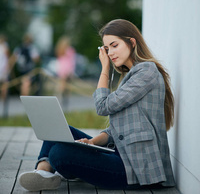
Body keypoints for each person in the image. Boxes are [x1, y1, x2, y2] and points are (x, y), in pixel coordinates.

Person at [19, 19, 175, 191]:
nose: (110, 53)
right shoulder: (132, 75)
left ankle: (54, 169)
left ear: (132, 42)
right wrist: (92, 142)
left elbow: (103, 106)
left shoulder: (146, 72)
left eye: (114, 45)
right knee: (57, 131)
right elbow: (117, 130)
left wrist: (104, 69)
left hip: (137, 170)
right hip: (122, 155)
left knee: (59, 153)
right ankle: (43, 173)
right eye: (107, 49)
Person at [55, 36, 76, 101]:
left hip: (61, 68)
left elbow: (59, 60)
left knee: (61, 84)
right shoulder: (70, 50)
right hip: (67, 69)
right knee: (67, 85)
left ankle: (59, 97)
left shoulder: (60, 49)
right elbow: (72, 61)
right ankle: (64, 99)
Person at [0, 34, 10, 117]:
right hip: (2, 70)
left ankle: (4, 105)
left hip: (3, 71)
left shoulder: (4, 46)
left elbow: (7, 59)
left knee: (4, 87)